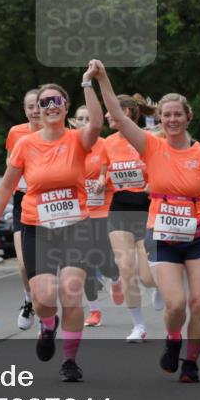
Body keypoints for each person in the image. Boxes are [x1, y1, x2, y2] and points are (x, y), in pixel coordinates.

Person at [92, 61, 200, 383]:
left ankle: (191, 362)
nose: (172, 119)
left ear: (188, 118)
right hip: (162, 234)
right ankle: (173, 339)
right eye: (167, 115)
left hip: (199, 235)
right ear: (160, 119)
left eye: (177, 115)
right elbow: (117, 114)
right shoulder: (150, 146)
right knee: (176, 304)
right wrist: (102, 78)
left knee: (199, 304)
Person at [0, 70, 104, 382]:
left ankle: (69, 361)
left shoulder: (77, 139)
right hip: (37, 226)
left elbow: (96, 123)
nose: (50, 106)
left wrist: (88, 82)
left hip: (75, 226)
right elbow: (7, 186)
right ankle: (48, 326)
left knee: (71, 292)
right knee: (44, 297)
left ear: (66, 106)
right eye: (44, 102)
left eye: (56, 101)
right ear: (37, 109)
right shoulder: (25, 144)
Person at [103, 93, 162, 343]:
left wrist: (154, 184)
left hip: (147, 207)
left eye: (110, 110)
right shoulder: (107, 143)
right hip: (119, 208)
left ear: (125, 112)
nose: (106, 115)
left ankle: (159, 286)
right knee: (126, 269)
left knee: (147, 278)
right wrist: (100, 182)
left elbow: (163, 168)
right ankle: (138, 326)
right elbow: (103, 172)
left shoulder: (148, 139)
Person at [71, 104, 114, 327]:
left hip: (103, 211)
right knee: (84, 263)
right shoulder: (67, 146)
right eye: (81, 118)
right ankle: (94, 310)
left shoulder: (106, 145)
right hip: (78, 213)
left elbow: (118, 172)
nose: (85, 122)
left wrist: (103, 180)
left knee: (105, 261)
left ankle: (114, 278)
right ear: (74, 122)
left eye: (89, 118)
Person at [4, 90, 42, 329]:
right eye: (30, 107)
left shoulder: (60, 133)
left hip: (49, 201)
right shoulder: (16, 133)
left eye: (39, 105)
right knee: (23, 264)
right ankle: (29, 301)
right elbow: (10, 164)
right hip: (23, 200)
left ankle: (47, 307)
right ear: (25, 110)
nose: (35, 111)